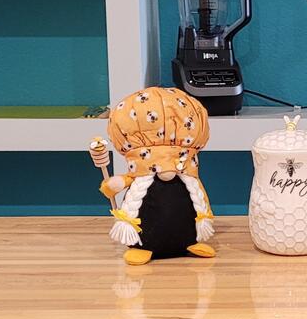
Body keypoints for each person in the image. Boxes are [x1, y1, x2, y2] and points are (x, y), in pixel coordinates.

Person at [89, 87, 216, 265]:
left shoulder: (188, 177)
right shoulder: (185, 177)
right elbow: (122, 181)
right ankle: (143, 247)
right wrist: (114, 185)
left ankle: (189, 243)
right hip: (147, 237)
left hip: (185, 236)